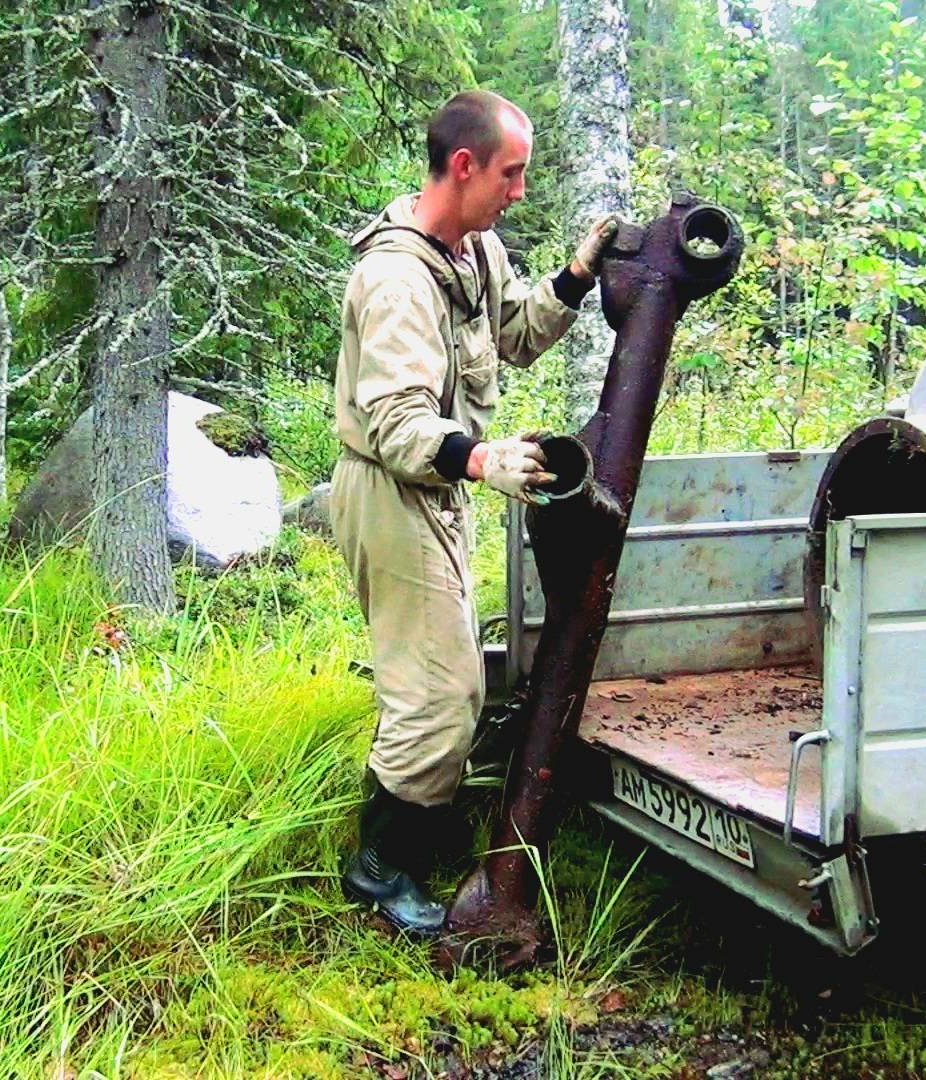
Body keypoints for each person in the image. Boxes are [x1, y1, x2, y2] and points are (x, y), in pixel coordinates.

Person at [331, 89, 621, 935]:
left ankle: (404, 842)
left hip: (433, 491)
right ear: (464, 166)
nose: (518, 191)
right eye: (510, 173)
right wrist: (484, 459)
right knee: (440, 692)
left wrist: (576, 275)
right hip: (391, 493)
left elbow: (516, 335)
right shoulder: (396, 279)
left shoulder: (474, 250)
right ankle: (380, 872)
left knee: (439, 679)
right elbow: (396, 425)